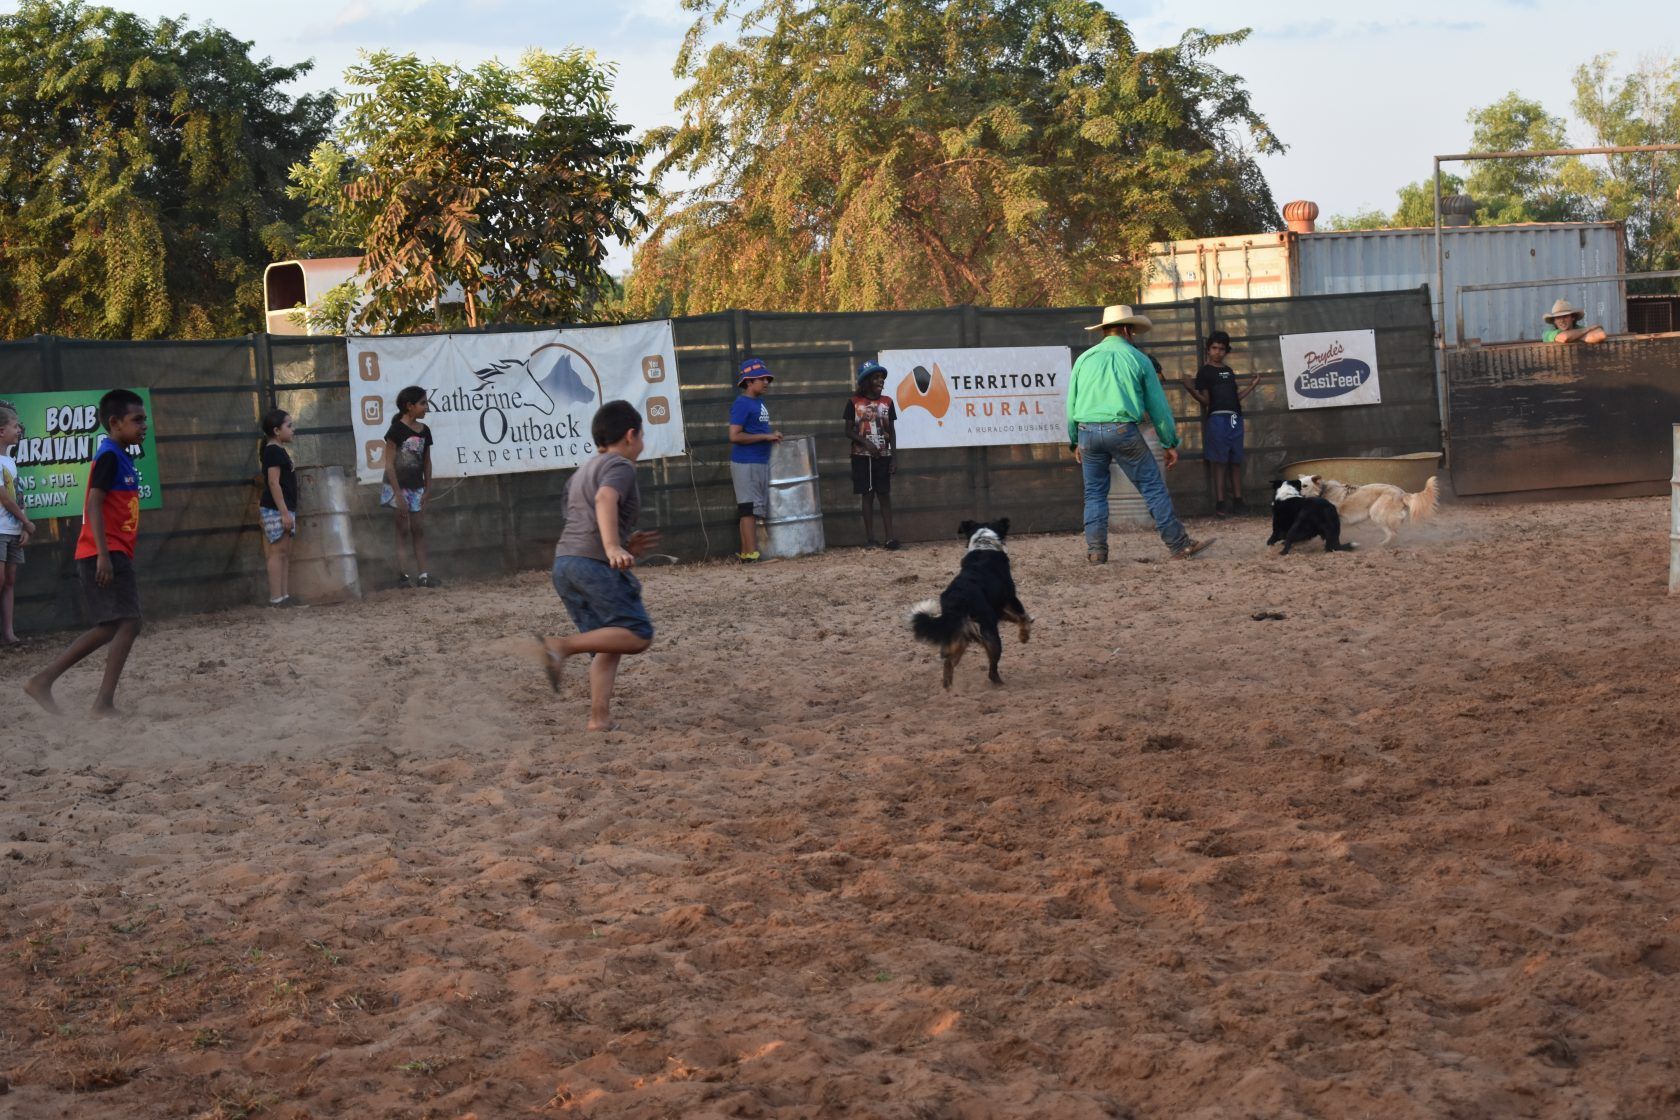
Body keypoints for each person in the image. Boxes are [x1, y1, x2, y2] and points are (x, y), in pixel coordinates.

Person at [24, 389, 149, 715]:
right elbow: (93, 504)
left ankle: (44, 681)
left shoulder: (122, 454)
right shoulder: (108, 456)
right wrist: (104, 555)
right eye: (137, 419)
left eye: (144, 419)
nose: (144, 425)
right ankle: (101, 702)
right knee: (130, 621)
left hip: (108, 550)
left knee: (112, 625)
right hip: (104, 552)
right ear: (114, 422)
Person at [540, 400, 661, 732]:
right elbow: (605, 499)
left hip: (565, 564)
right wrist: (610, 547)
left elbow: (581, 519)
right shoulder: (620, 465)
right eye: (642, 435)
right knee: (637, 634)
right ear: (631, 434)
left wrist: (621, 543)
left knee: (607, 641)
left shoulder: (583, 470)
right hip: (591, 564)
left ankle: (599, 718)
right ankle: (560, 646)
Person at [1066, 304, 1213, 563]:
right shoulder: (1138, 359)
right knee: (1152, 487)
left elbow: (1072, 404)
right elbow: (1158, 407)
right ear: (1126, 329)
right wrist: (1169, 442)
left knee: (1094, 492)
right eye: (1132, 330)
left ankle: (1096, 551)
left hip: (1087, 430)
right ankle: (1179, 545)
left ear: (1105, 330)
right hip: (1122, 430)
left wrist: (1075, 440)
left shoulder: (1084, 359)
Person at [1182, 330, 1259, 518]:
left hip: (1234, 418)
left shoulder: (1229, 371)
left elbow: (1235, 398)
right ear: (1208, 350)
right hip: (1217, 419)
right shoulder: (1205, 372)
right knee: (1219, 462)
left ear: (1226, 351)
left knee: (1236, 461)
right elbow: (1206, 401)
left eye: (1222, 349)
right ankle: (1220, 503)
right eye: (1214, 348)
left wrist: (1252, 385)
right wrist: (1191, 390)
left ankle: (1239, 502)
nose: (1218, 352)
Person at [382, 385, 439, 587]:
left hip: (416, 487)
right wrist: (397, 494)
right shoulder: (396, 430)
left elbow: (427, 462)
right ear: (409, 406)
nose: (426, 407)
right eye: (423, 403)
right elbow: (389, 463)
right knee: (402, 530)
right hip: (398, 487)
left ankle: (423, 575)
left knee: (418, 529)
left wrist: (427, 488)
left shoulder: (425, 431)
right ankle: (402, 575)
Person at [728, 357, 781, 562]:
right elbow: (734, 436)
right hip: (746, 463)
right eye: (761, 378)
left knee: (749, 509)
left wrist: (770, 434)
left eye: (767, 378)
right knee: (748, 510)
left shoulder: (758, 402)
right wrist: (766, 436)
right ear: (748, 381)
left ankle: (746, 553)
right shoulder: (742, 403)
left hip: (757, 461)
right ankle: (751, 554)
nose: (766, 382)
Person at [846, 360, 899, 549]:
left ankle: (890, 538)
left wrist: (893, 457)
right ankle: (870, 539)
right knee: (867, 495)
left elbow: (891, 431)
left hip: (883, 456)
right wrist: (866, 443)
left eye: (882, 377)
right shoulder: (854, 403)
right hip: (862, 457)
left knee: (884, 495)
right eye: (876, 377)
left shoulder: (888, 403)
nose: (881, 380)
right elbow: (848, 430)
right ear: (866, 381)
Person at [1, 400, 37, 645]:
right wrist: (26, 521)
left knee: (10, 581)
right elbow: (3, 496)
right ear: (1, 430)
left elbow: (18, 495)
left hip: (13, 529)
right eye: (15, 426)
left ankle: (9, 633)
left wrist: (24, 524)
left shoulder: (11, 462)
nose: (19, 430)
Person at [259, 408, 301, 607]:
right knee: (277, 552)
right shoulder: (273, 451)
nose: (293, 429)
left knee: (284, 552)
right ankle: (276, 597)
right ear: (276, 430)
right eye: (289, 426)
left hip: (285, 508)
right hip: (276, 509)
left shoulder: (278, 450)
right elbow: (274, 483)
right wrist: (284, 513)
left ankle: (284, 596)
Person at [1542, 299, 1607, 344]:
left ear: (1573, 317)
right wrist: (1589, 328)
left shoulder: (1579, 328)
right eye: (1558, 318)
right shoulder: (1548, 333)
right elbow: (1564, 338)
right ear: (1554, 321)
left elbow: (1601, 335)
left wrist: (1573, 337)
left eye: (1565, 316)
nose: (1562, 321)